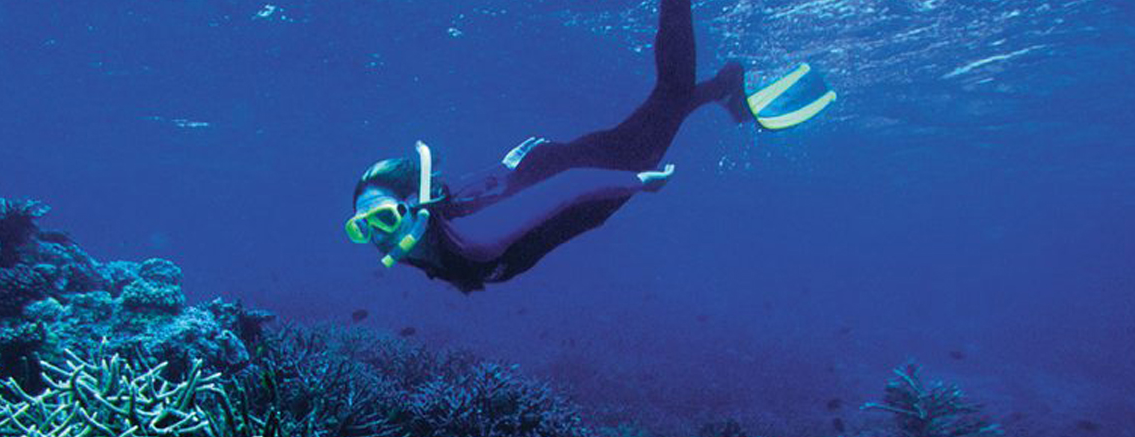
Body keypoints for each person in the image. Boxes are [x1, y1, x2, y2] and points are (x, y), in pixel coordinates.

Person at [344, 0, 834, 292]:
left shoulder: (474, 241)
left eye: (383, 218)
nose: (376, 236)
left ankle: (707, 62)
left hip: (593, 176)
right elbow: (471, 191)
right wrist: (511, 164)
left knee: (669, 93)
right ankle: (724, 88)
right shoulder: (426, 238)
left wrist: (635, 182)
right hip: (555, 166)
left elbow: (571, 188)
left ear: (417, 208)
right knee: (665, 106)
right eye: (361, 228)